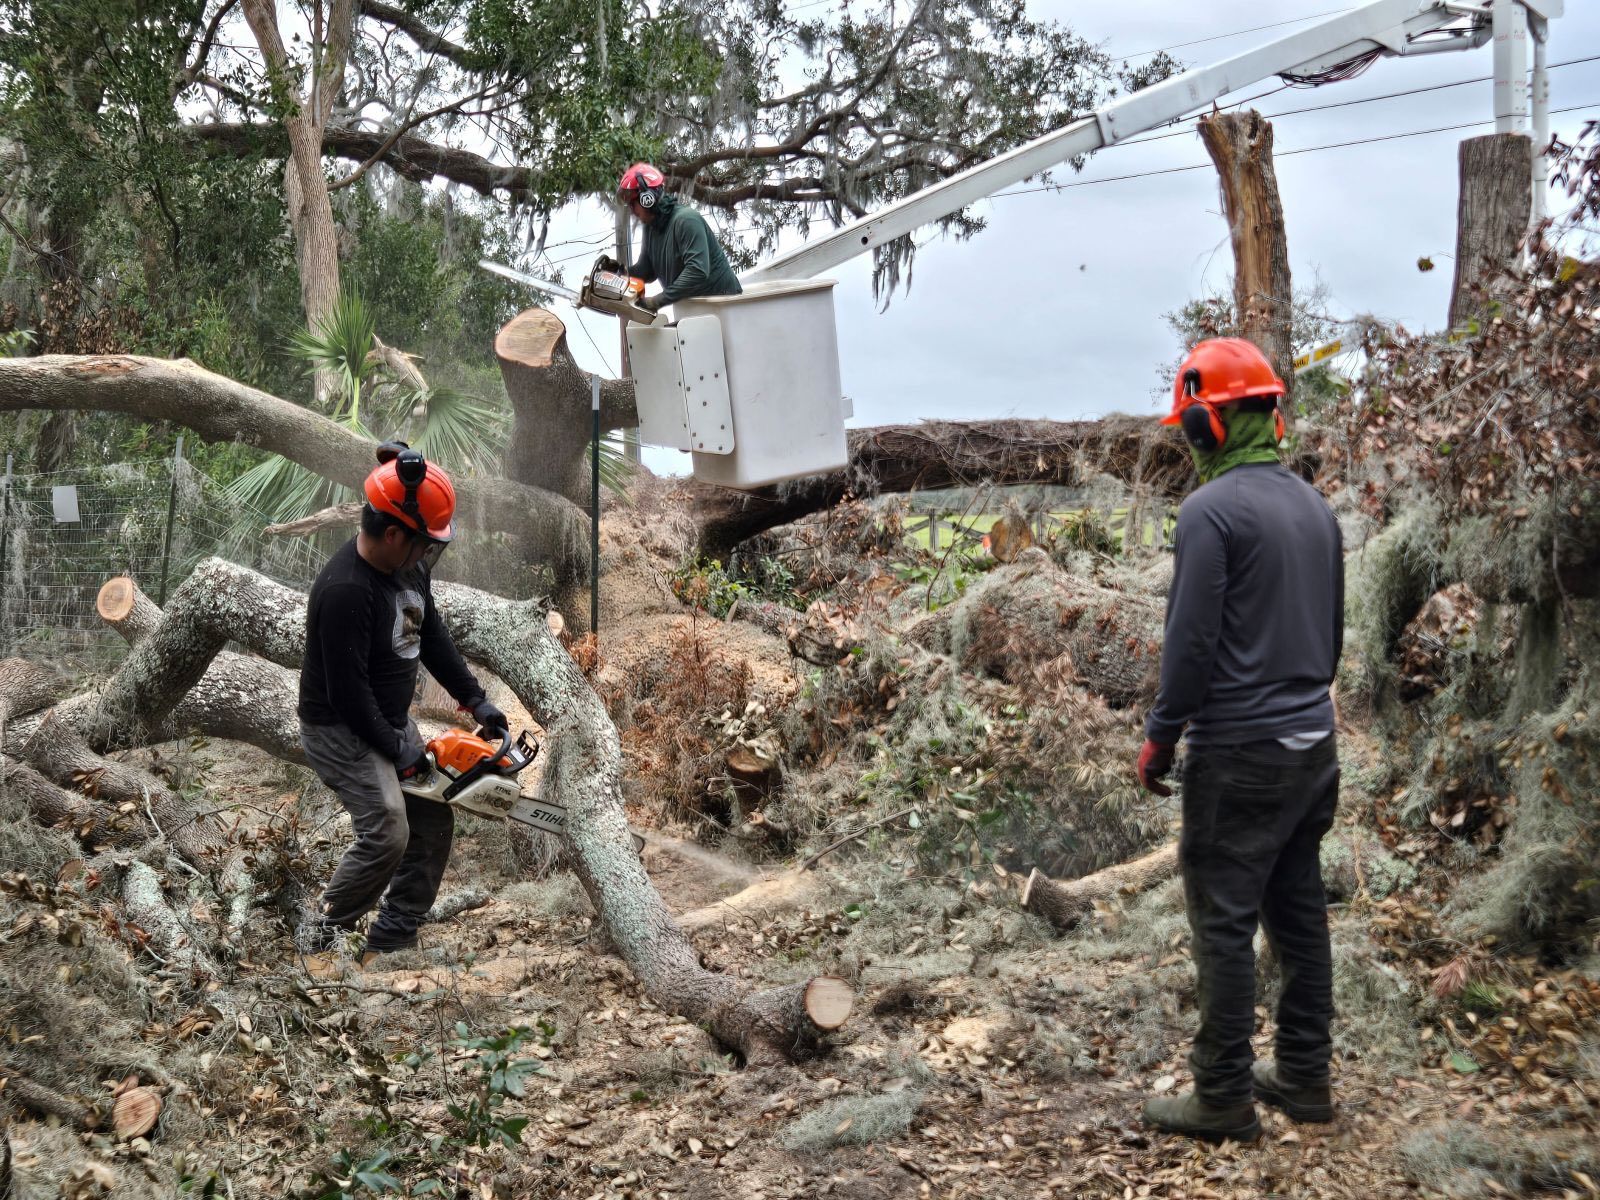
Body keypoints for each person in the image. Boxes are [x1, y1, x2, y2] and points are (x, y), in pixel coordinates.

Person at [1137, 337, 1344, 1144]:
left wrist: (1161, 739)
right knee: (1298, 915)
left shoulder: (1210, 512)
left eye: (1192, 424)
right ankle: (1303, 1077)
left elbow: (1189, 648)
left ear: (1209, 425)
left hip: (1241, 753)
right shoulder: (1316, 508)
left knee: (1222, 920)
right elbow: (1331, 638)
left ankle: (1222, 1095)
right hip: (1312, 749)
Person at [297, 442, 507, 958]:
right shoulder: (346, 589)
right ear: (393, 534)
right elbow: (349, 696)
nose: (427, 555)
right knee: (389, 829)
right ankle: (317, 941)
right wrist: (399, 747)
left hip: (386, 718)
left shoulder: (408, 568)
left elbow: (429, 632)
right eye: (422, 544)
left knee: (433, 816)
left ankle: (393, 936)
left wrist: (475, 701)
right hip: (340, 728)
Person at [599, 162, 742, 312]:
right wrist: (620, 272)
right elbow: (647, 271)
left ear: (647, 198)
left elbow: (698, 271)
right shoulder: (651, 227)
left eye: (633, 204)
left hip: (724, 306)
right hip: (694, 309)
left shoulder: (686, 220)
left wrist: (656, 301)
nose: (632, 211)